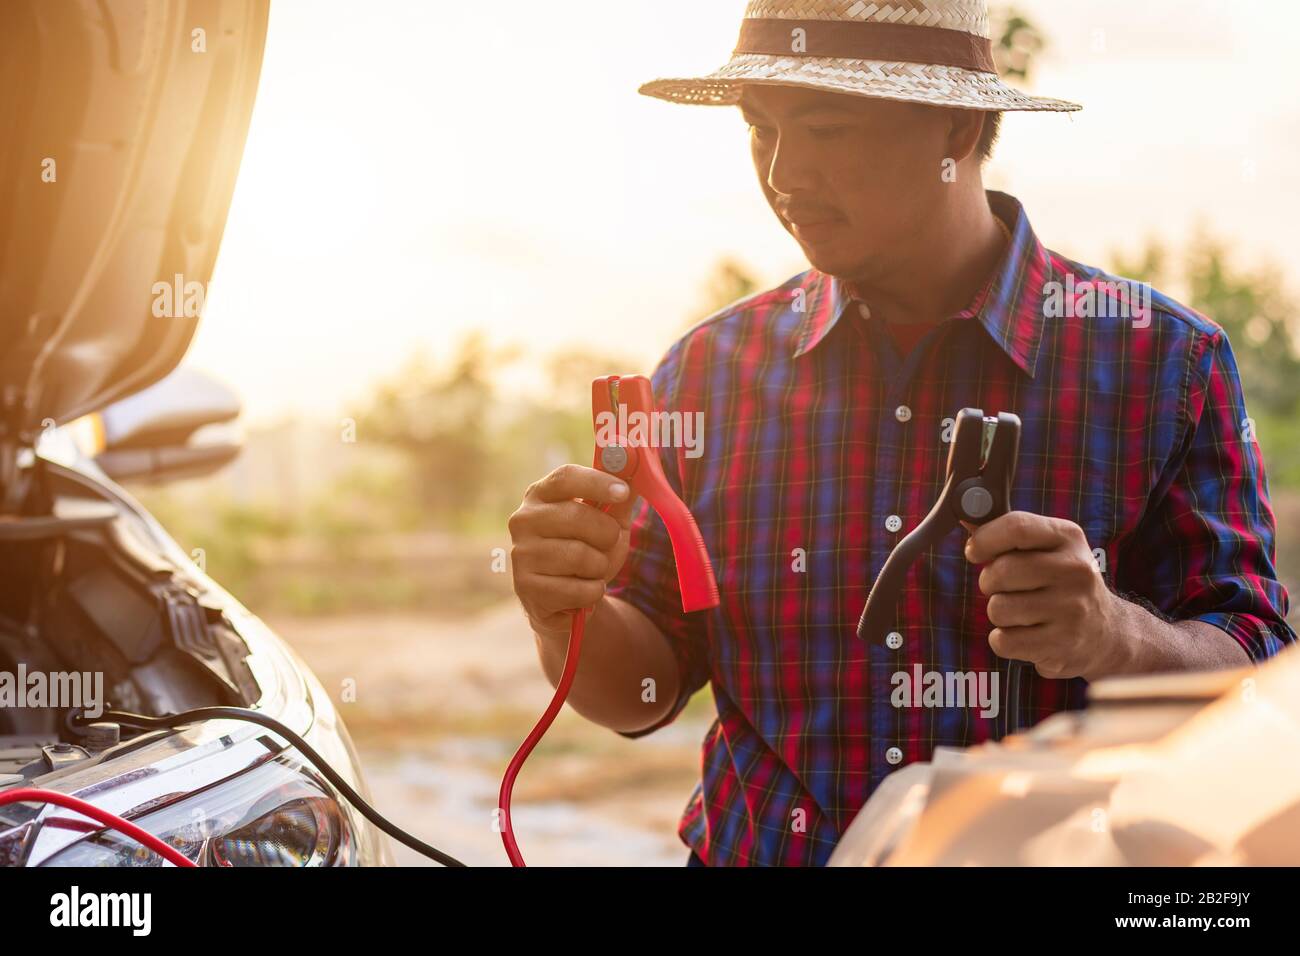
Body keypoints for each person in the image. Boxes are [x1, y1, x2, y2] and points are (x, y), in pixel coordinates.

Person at [506, 0, 1295, 866]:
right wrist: (564, 614)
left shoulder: (1162, 364)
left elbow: (1256, 682)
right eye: (760, 131)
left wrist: (1113, 635)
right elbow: (643, 693)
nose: (784, 173)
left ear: (956, 126)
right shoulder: (708, 375)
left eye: (828, 128)